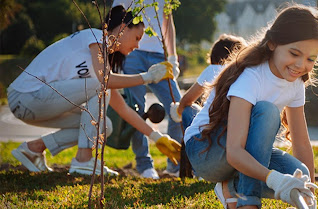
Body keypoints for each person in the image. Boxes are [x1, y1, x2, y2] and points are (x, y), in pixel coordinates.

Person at [183, 4, 318, 209]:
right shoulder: (251, 76)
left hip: (240, 151)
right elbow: (234, 152)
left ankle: (230, 187)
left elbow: (302, 144)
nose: (301, 65)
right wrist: (275, 180)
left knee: (298, 173)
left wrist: (308, 195)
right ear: (272, 44)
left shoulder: (295, 83)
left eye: (310, 58)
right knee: (267, 111)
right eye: (294, 53)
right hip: (206, 150)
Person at [8, 6, 180, 176]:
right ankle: (83, 161)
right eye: (137, 38)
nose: (137, 46)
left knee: (105, 125)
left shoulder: (101, 64)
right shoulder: (95, 37)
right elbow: (105, 81)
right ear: (122, 28)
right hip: (24, 97)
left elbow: (123, 110)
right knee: (101, 86)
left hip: (37, 104)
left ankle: (33, 149)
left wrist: (157, 137)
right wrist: (148, 77)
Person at [112, 0, 182, 179]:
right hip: (132, 53)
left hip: (158, 54)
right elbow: (116, 21)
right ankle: (144, 165)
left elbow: (168, 22)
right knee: (137, 109)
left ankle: (175, 166)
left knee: (177, 107)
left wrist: (172, 56)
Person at [169, 34, 247, 136]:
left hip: (211, 131)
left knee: (189, 109)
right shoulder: (244, 72)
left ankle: (187, 142)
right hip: (236, 130)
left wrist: (178, 112)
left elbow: (187, 100)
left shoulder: (213, 69)